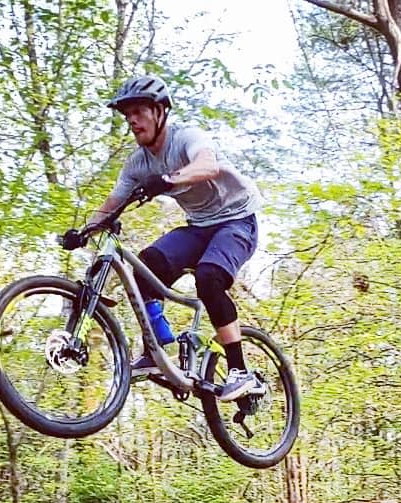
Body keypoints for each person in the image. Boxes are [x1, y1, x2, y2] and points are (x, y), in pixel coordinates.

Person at [61, 74, 264, 402]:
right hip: (199, 226)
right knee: (146, 268)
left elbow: (207, 166)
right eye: (127, 115)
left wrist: (168, 180)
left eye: (139, 111)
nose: (132, 120)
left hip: (237, 221)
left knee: (209, 278)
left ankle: (241, 372)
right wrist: (84, 231)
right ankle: (158, 351)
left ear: (160, 112)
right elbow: (113, 202)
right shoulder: (138, 162)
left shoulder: (186, 137)